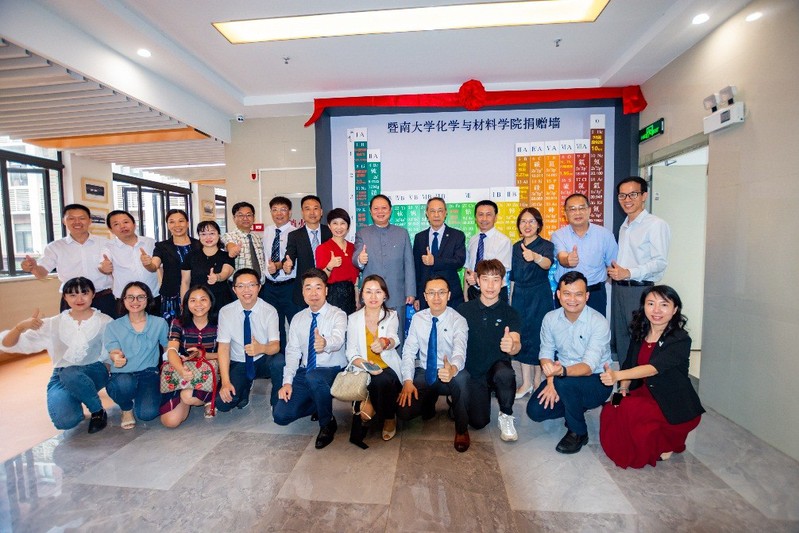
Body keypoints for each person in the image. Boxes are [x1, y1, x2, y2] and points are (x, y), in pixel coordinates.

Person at [599, 285, 704, 468]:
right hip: (645, 391)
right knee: (613, 405)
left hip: (673, 401)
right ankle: (649, 441)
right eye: (651, 304)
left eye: (664, 305)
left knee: (629, 409)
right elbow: (629, 364)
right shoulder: (641, 332)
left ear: (675, 310)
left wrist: (616, 375)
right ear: (644, 306)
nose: (656, 310)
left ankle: (667, 440)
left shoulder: (680, 339)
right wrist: (623, 387)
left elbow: (653, 369)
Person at [0, 277, 113, 433]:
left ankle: (97, 410)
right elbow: (8, 344)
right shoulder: (53, 323)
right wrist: (20, 327)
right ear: (65, 297)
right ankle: (78, 394)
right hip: (61, 374)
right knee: (66, 421)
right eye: (72, 295)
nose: (79, 299)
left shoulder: (105, 321)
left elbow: (112, 354)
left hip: (94, 371)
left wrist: (107, 369)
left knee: (71, 372)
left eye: (84, 293)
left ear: (93, 294)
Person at [527, 271, 613, 454]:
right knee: (535, 411)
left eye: (578, 294)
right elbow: (545, 353)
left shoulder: (599, 322)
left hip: (597, 380)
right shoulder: (550, 318)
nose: (572, 299)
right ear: (558, 295)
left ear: (587, 296)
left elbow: (588, 367)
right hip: (561, 376)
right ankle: (574, 405)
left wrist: (560, 374)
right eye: (567, 293)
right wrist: (551, 381)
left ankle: (578, 432)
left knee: (565, 384)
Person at [273, 269, 347, 449]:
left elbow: (338, 340)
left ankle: (327, 422)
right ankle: (319, 403)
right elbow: (292, 352)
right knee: (280, 416)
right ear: (303, 292)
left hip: (332, 369)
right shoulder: (298, 318)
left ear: (326, 290)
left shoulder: (338, 314)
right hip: (306, 370)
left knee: (314, 378)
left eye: (318, 288)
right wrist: (287, 382)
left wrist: (325, 343)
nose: (313, 293)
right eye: (308, 288)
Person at [398, 276, 471, 452]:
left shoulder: (458, 320)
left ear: (449, 295)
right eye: (431, 293)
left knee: (462, 380)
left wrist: (453, 368)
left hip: (449, 372)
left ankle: (462, 429)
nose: (436, 297)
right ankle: (428, 403)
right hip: (426, 371)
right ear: (425, 296)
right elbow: (408, 351)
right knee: (404, 413)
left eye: (441, 292)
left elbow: (460, 351)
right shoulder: (418, 318)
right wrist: (407, 381)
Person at [607, 176, 671, 366]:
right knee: (622, 339)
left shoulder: (655, 224)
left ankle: (639, 381)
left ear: (644, 195)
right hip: (620, 289)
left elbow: (660, 262)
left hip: (640, 290)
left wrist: (629, 273)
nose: (627, 200)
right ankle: (626, 380)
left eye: (633, 194)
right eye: (622, 195)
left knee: (640, 339)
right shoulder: (625, 225)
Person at [458, 259, 522, 442]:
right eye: (485, 279)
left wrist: (512, 346)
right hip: (474, 371)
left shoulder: (510, 312)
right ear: (478, 281)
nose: (490, 285)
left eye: (496, 280)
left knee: (505, 374)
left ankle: (506, 414)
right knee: (478, 423)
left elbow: (516, 343)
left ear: (502, 282)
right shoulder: (463, 310)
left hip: (496, 368)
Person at [20, 204, 116, 317]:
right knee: (70, 328)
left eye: (82, 218)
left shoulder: (106, 243)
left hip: (103, 298)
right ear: (64, 221)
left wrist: (109, 269)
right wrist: (34, 267)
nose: (77, 222)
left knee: (108, 328)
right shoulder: (55, 247)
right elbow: (42, 273)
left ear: (90, 221)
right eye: (71, 218)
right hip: (72, 301)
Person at [346, 275, 402, 447]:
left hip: (387, 367)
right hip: (363, 369)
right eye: (368, 292)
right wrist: (366, 365)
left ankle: (389, 418)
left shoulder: (391, 315)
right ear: (362, 295)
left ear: (385, 295)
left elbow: (394, 339)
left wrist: (385, 342)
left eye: (378, 292)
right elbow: (351, 352)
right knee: (364, 415)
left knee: (382, 380)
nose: (373, 296)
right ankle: (377, 406)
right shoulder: (353, 318)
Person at [104, 281, 169, 429]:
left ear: (148, 299)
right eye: (130, 297)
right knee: (124, 384)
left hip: (148, 373)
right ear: (123, 300)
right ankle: (126, 408)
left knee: (147, 414)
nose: (135, 301)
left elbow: (167, 347)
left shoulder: (159, 323)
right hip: (122, 374)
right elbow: (113, 350)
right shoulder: (113, 326)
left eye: (141, 297)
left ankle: (142, 395)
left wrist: (169, 366)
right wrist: (116, 358)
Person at [216, 268, 282, 411]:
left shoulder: (269, 311)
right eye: (241, 286)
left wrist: (261, 348)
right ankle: (244, 387)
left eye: (251, 285)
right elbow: (223, 348)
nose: (246, 290)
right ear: (234, 289)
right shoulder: (226, 312)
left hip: (262, 359)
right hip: (239, 362)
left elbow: (275, 346)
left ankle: (277, 401)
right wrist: (225, 382)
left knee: (280, 362)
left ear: (259, 287)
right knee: (223, 404)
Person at [353, 194, 416, 341]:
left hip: (397, 293)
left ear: (390, 210)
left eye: (384, 208)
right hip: (372, 296)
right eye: (376, 208)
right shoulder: (363, 233)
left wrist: (410, 291)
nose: (380, 212)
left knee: (396, 336)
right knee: (372, 335)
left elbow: (409, 263)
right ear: (370, 211)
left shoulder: (402, 233)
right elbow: (356, 258)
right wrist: (360, 259)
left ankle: (397, 357)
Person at [160, 285, 220, 428]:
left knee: (187, 396)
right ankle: (188, 394)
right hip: (184, 371)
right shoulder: (178, 323)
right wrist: (181, 370)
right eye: (193, 300)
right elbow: (171, 351)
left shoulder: (220, 322)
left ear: (211, 302)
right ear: (186, 303)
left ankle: (210, 398)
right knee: (170, 421)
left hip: (212, 371)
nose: (198, 304)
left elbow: (227, 354)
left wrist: (205, 355)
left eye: (203, 299)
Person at [510, 207, 554, 399]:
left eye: (531, 221)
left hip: (539, 295)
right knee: (522, 336)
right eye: (523, 222)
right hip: (520, 295)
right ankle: (526, 382)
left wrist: (535, 257)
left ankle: (538, 381)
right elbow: (513, 276)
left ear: (538, 225)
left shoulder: (546, 245)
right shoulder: (515, 247)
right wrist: (511, 299)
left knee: (538, 336)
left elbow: (547, 263)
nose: (527, 225)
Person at [551, 194, 617, 316]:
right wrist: (568, 260)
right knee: (563, 326)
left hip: (595, 293)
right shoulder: (558, 235)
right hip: (567, 293)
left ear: (589, 210)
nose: (577, 213)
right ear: (565, 213)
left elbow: (612, 265)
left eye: (581, 208)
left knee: (596, 326)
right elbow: (562, 257)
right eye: (572, 209)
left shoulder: (605, 235)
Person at [142, 209, 201, 323]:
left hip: (197, 293)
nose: (177, 225)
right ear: (168, 225)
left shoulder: (199, 245)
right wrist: (148, 263)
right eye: (172, 222)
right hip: (171, 296)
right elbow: (154, 266)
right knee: (172, 328)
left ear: (187, 223)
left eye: (181, 221)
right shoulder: (162, 246)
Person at [100, 210, 161, 313]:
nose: (122, 226)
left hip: (152, 296)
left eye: (126, 222)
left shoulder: (150, 242)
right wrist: (103, 268)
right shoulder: (108, 247)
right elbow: (102, 264)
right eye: (116, 224)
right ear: (111, 229)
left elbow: (159, 266)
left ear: (134, 224)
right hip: (126, 300)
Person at [413, 197, 466, 310]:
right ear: (427, 214)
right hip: (426, 295)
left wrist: (435, 261)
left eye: (440, 211)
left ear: (445, 213)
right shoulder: (419, 237)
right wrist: (417, 296)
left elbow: (459, 261)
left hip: (451, 294)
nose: (436, 215)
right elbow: (416, 269)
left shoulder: (457, 235)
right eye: (432, 211)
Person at [260, 196, 298, 352]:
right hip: (270, 288)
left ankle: (297, 359)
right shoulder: (267, 231)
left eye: (283, 209)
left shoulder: (296, 233)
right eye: (274, 210)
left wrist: (279, 266)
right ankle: (279, 359)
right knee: (275, 327)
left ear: (290, 212)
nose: (279, 213)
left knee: (295, 324)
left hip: (290, 286)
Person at [284, 195, 332, 310]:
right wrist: (287, 265)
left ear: (321, 212)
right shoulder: (295, 235)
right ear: (302, 213)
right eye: (307, 209)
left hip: (329, 289)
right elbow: (289, 257)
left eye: (315, 208)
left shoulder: (330, 232)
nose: (312, 212)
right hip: (305, 290)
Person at [180, 220, 235, 314]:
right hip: (198, 303)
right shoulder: (190, 256)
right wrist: (184, 303)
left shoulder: (226, 256)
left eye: (212, 233)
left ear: (218, 235)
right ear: (199, 236)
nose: (208, 237)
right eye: (203, 234)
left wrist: (217, 277)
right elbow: (185, 282)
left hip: (221, 300)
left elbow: (226, 273)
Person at [463, 200, 512, 303]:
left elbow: (499, 271)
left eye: (488, 215)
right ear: (475, 218)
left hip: (494, 293)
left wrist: (477, 277)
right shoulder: (472, 240)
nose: (484, 218)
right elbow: (468, 269)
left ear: (496, 217)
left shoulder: (503, 241)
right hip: (473, 291)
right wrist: (466, 295)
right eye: (480, 214)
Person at [315, 208, 358, 315]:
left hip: (350, 295)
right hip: (332, 295)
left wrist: (357, 298)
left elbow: (355, 279)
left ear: (348, 226)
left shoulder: (353, 248)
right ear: (329, 226)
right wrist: (330, 266)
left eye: (342, 223)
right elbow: (320, 279)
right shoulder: (322, 248)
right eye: (335, 223)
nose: (339, 227)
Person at [222, 201, 265, 282]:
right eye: (240, 215)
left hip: (260, 283)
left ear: (254, 218)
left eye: (249, 215)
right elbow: (229, 245)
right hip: (240, 285)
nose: (245, 218)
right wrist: (232, 250)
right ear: (234, 218)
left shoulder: (258, 237)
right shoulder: (229, 236)